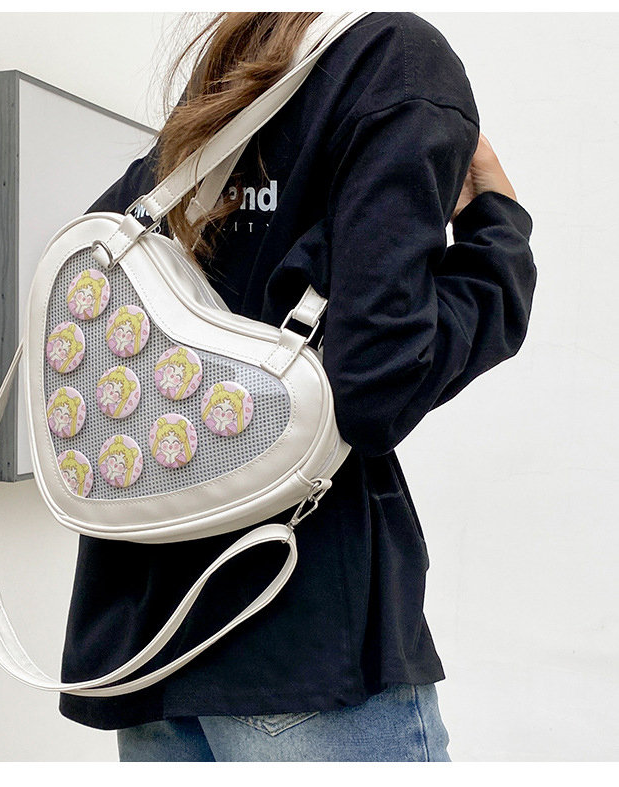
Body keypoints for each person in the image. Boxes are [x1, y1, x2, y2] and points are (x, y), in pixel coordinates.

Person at [58, 11, 537, 762]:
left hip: (145, 643)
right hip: (302, 628)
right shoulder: (393, 61)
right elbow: (375, 386)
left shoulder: (237, 69)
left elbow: (96, 284)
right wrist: (498, 240)